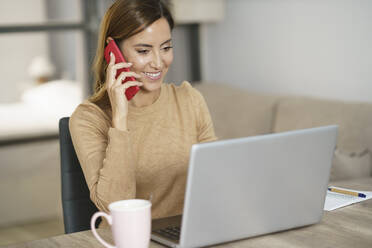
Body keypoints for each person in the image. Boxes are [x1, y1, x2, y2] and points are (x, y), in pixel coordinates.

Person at [69, 0, 217, 227]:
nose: (158, 63)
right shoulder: (88, 118)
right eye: (143, 51)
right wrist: (120, 118)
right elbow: (115, 205)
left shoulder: (190, 100)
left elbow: (216, 178)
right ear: (113, 51)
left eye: (166, 48)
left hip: (188, 235)